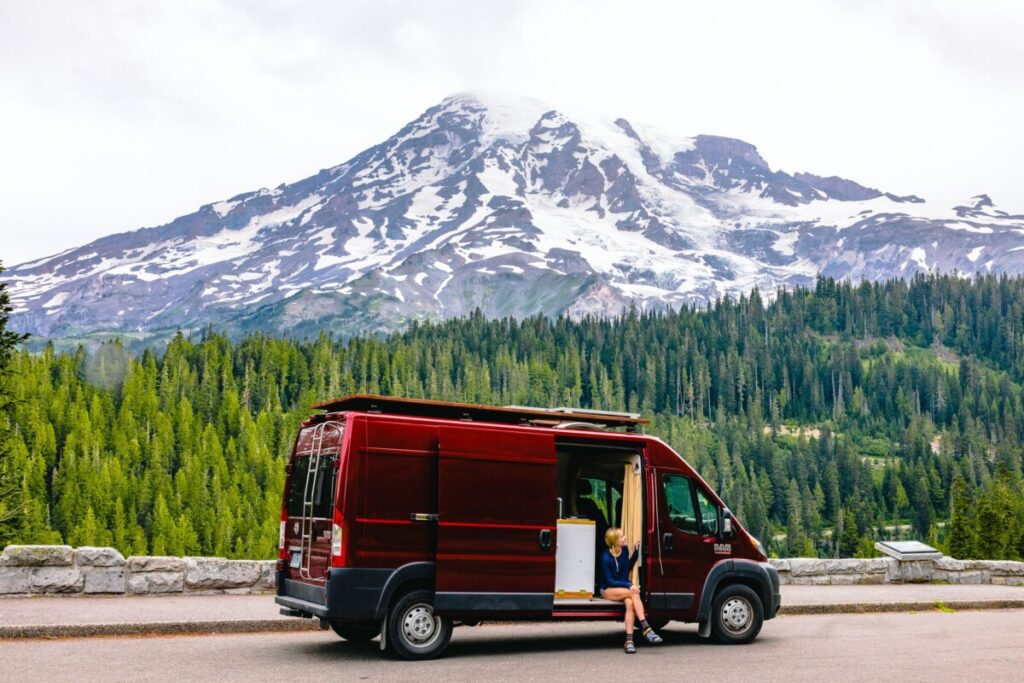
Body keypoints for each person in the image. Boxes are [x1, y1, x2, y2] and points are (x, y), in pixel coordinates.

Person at [598, 527, 663, 653]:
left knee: (630, 603)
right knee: (633, 592)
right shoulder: (605, 557)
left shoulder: (625, 550)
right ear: (615, 541)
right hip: (607, 589)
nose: (625, 537)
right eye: (622, 536)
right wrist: (629, 586)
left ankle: (629, 641)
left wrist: (636, 552)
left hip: (621, 588)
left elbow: (626, 568)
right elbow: (610, 581)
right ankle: (646, 627)